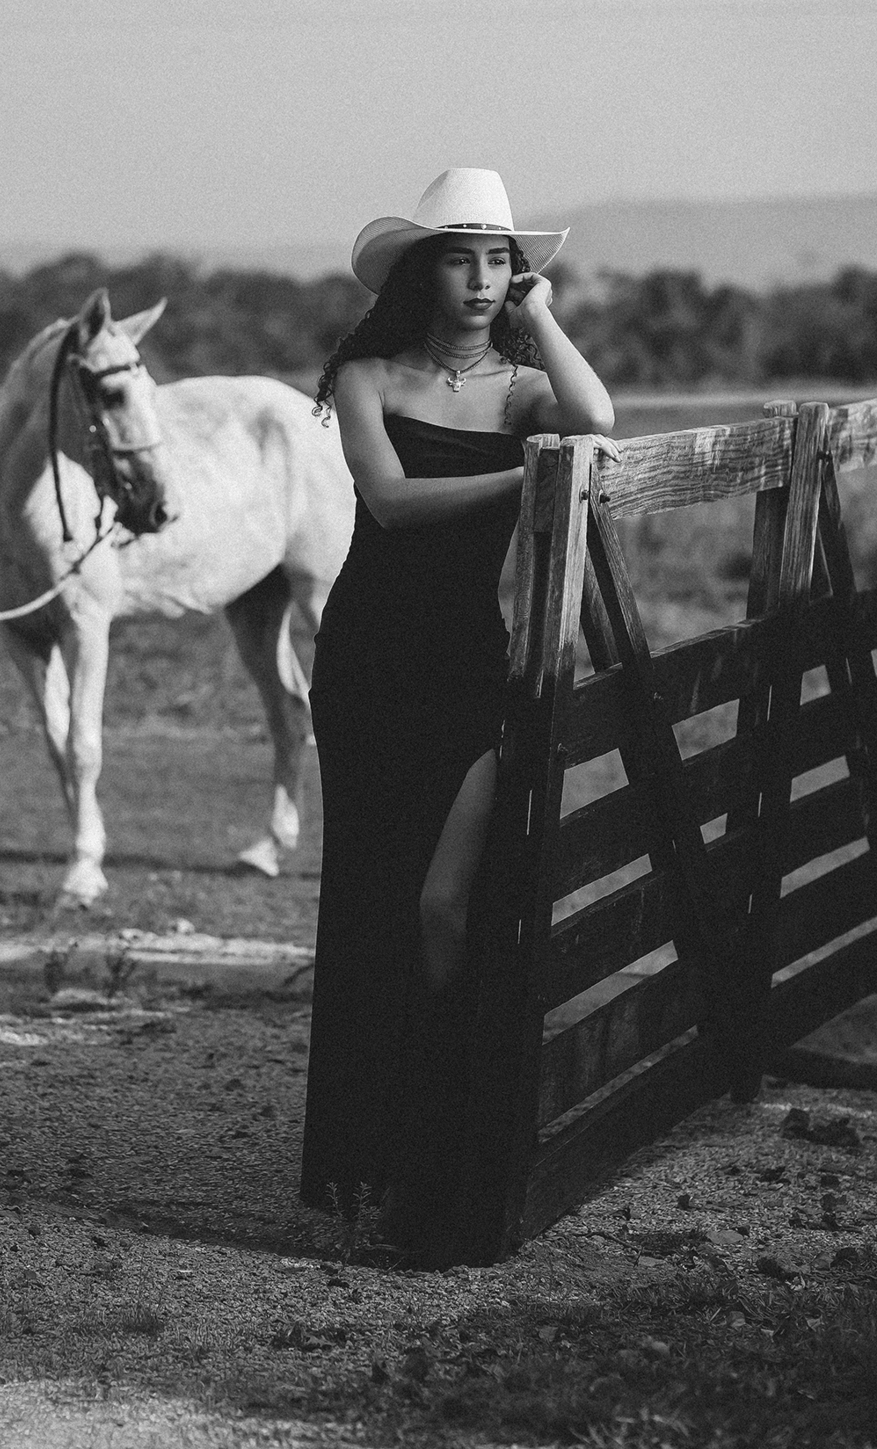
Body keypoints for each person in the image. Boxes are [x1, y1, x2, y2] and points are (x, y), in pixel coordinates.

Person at [300, 167, 617, 1265]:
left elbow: (597, 417)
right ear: (419, 270)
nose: (480, 279)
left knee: (449, 910)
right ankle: (381, 1169)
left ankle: (446, 1158)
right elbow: (389, 504)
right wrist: (529, 485)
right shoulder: (366, 375)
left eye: (498, 259)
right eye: (459, 256)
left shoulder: (526, 391)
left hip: (468, 670)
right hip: (369, 666)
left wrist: (540, 314)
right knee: (375, 909)